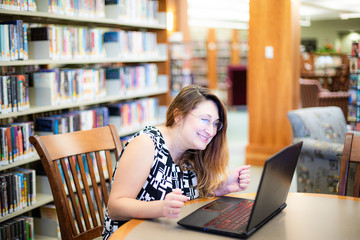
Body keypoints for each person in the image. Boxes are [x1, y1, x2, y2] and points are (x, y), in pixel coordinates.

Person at [102, 85, 251, 239]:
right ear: (178, 116)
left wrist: (221, 188)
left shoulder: (193, 150)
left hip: (167, 232)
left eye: (215, 124)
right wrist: (160, 208)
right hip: (130, 235)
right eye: (205, 120)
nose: (212, 131)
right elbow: (115, 207)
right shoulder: (147, 144)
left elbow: (188, 198)